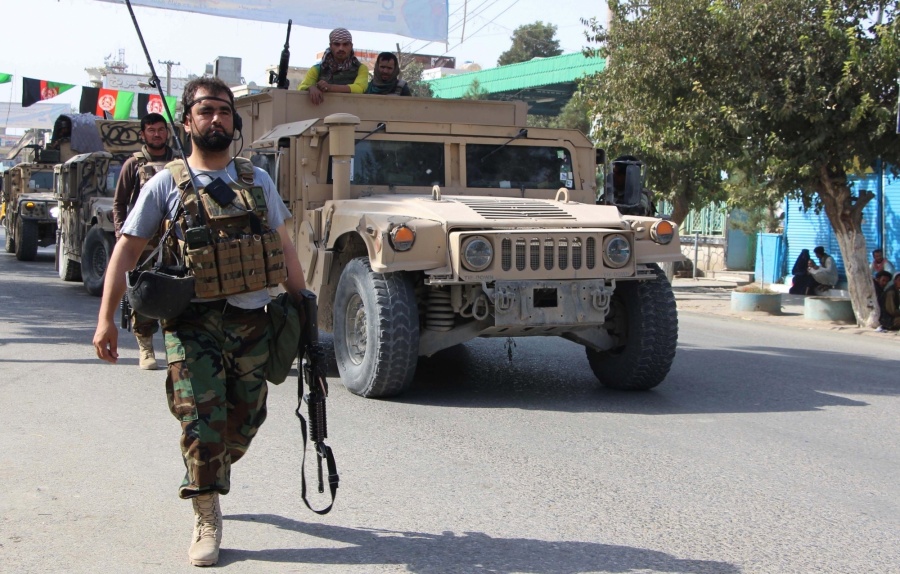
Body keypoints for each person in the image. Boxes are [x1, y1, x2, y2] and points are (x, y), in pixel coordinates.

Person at [92, 77, 307, 567]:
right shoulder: (165, 182)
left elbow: (284, 244)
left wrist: (303, 302)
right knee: (200, 421)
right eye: (206, 110)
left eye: (225, 111)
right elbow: (126, 250)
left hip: (254, 319)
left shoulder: (256, 179)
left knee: (245, 422)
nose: (217, 119)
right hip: (192, 324)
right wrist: (106, 320)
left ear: (235, 121)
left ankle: (211, 467)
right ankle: (206, 512)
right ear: (187, 121)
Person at [112, 112, 176, 370]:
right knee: (145, 292)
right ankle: (145, 346)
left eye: (161, 129)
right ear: (143, 134)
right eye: (151, 130)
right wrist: (121, 235)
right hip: (144, 240)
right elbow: (119, 203)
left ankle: (175, 347)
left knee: (175, 289)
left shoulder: (179, 162)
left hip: (173, 238)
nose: (157, 134)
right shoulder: (133, 164)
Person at [298, 28, 368, 105]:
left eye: (345, 44)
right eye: (337, 44)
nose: (341, 48)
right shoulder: (317, 69)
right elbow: (301, 87)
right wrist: (310, 88)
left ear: (351, 46)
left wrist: (329, 87)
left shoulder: (361, 68)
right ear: (331, 46)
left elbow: (359, 88)